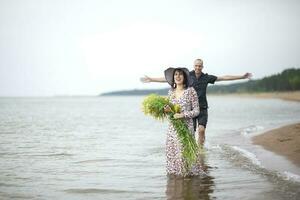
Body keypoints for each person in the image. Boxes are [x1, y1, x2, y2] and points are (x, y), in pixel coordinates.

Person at [141, 58, 252, 145]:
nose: (198, 67)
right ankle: (192, 148)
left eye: (200, 66)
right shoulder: (188, 75)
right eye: (196, 65)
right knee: (191, 132)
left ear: (202, 66)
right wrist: (151, 79)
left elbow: (223, 77)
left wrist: (242, 77)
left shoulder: (207, 77)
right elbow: (169, 79)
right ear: (193, 66)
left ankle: (200, 149)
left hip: (202, 108)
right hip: (190, 110)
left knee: (201, 130)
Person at [163, 67, 203, 177]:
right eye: (176, 74)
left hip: (186, 127)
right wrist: (167, 111)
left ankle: (188, 177)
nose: (178, 76)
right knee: (173, 152)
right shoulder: (170, 93)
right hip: (173, 129)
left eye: (180, 74)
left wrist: (183, 115)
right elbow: (170, 113)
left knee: (184, 153)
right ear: (173, 78)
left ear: (184, 77)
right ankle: (175, 178)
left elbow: (196, 111)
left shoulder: (190, 91)